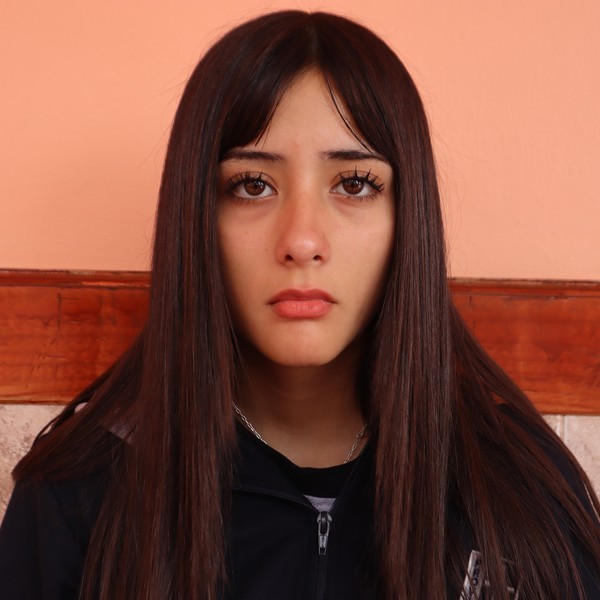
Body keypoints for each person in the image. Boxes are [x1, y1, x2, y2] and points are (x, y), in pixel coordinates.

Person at [0, 10, 599, 599]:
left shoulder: (523, 490)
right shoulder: (75, 497)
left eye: (354, 184)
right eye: (252, 185)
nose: (303, 240)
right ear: (197, 215)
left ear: (408, 217)